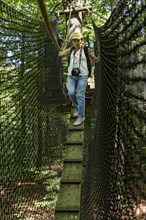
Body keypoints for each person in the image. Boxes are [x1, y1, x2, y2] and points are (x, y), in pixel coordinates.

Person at [58, 32, 100, 126]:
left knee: (80, 95)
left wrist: (102, 56)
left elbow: (95, 60)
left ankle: (81, 116)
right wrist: (61, 49)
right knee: (71, 93)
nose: (76, 43)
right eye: (74, 41)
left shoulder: (86, 50)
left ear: (82, 41)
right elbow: (60, 55)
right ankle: (78, 108)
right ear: (73, 42)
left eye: (78, 40)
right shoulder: (71, 50)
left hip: (83, 76)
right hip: (72, 76)